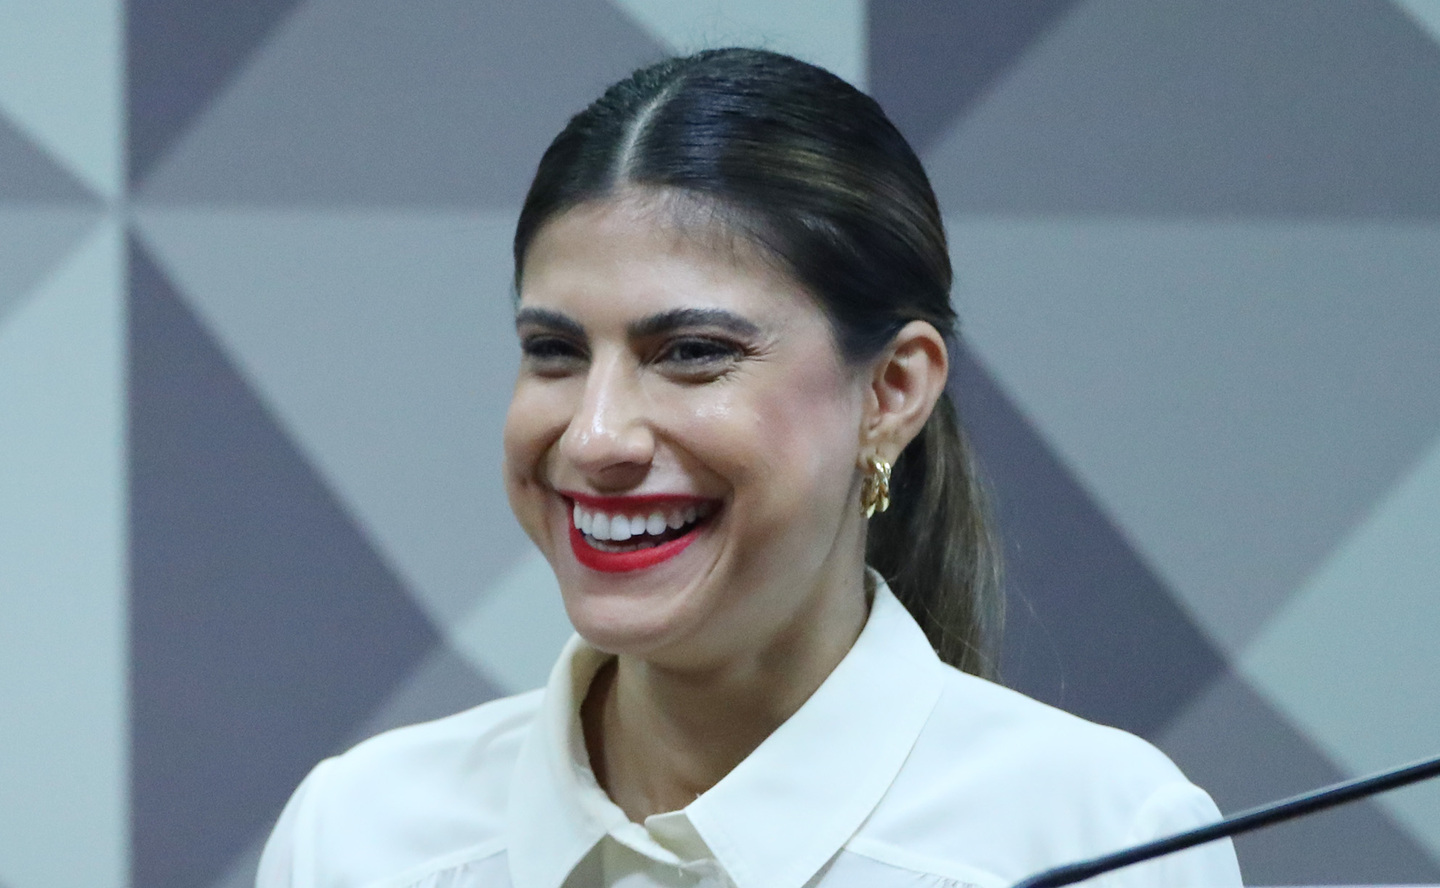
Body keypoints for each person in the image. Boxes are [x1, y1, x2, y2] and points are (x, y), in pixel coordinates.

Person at [257, 48, 1242, 888]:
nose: (596, 438)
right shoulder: (359, 838)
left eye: (692, 353)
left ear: (892, 391)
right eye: (554, 352)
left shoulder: (1103, 839)